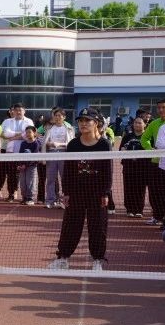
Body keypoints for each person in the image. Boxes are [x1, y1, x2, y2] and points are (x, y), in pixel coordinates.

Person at [48, 109, 112, 272]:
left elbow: (108, 170)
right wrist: (66, 192)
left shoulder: (104, 144)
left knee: (98, 227)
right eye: (81, 121)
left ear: (96, 123)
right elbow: (68, 170)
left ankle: (98, 260)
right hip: (76, 192)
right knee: (70, 226)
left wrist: (106, 193)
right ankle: (63, 258)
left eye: (87, 120)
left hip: (97, 193)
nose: (83, 124)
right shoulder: (73, 144)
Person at [119, 116, 150, 217]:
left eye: (140, 123)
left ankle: (139, 210)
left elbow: (151, 151)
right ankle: (129, 209)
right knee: (128, 188)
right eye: (135, 122)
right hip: (128, 167)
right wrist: (124, 151)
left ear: (145, 125)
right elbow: (121, 149)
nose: (137, 124)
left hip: (142, 168)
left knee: (140, 189)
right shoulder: (127, 136)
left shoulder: (148, 136)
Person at [42, 107, 74, 208]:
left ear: (64, 117)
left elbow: (71, 143)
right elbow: (45, 143)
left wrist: (60, 144)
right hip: (51, 154)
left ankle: (65, 201)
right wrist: (50, 144)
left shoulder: (69, 128)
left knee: (65, 178)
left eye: (60, 115)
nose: (57, 117)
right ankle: (50, 201)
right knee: (51, 178)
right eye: (56, 115)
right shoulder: (49, 128)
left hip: (64, 154)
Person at [17, 126, 41, 205]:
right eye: (26, 132)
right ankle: (24, 198)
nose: (27, 134)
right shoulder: (23, 143)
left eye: (29, 132)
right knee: (22, 183)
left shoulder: (37, 143)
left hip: (32, 167)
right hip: (22, 167)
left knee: (30, 182)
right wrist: (20, 165)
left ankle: (30, 199)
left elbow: (35, 157)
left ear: (34, 133)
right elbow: (20, 155)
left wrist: (26, 165)